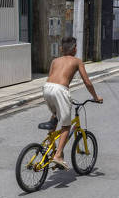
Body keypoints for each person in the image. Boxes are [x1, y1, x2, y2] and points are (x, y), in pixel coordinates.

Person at [43, 36, 103, 170]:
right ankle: (58, 155)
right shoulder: (77, 61)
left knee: (56, 115)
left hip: (47, 88)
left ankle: (51, 145)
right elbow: (87, 82)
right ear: (75, 49)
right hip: (60, 90)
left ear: (61, 49)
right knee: (66, 125)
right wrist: (95, 97)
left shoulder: (55, 61)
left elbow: (52, 77)